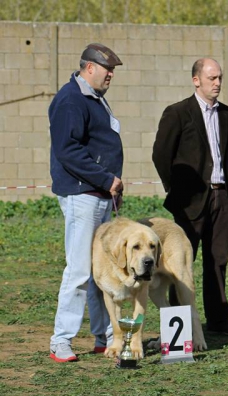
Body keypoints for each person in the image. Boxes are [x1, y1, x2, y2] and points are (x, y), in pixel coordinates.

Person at [152, 58, 228, 337]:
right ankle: (180, 328)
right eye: (212, 78)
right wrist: (176, 189)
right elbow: (160, 155)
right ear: (196, 80)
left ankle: (218, 321)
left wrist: (225, 194)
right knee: (179, 265)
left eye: (220, 78)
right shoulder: (178, 113)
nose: (217, 83)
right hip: (189, 203)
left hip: (221, 199)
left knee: (218, 261)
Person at [48, 43, 124, 362]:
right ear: (89, 68)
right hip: (82, 196)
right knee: (79, 270)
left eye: (113, 71)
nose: (111, 75)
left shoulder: (94, 99)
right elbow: (68, 150)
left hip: (98, 196)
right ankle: (61, 341)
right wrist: (107, 179)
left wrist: (110, 186)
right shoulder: (70, 99)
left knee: (98, 271)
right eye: (108, 69)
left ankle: (102, 335)